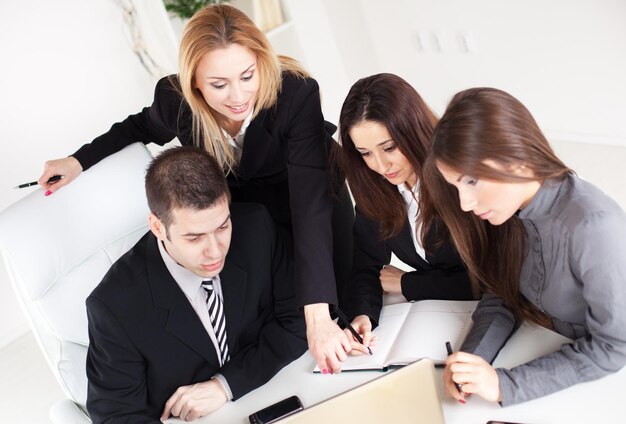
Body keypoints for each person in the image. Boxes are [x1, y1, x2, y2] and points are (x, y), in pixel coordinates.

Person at [39, 4, 353, 373]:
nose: (238, 96)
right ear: (195, 84)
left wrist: (318, 315)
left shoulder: (295, 94)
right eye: (218, 85)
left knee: (331, 311)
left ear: (261, 62)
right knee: (270, 315)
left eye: (247, 76)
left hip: (312, 200)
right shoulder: (176, 101)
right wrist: (77, 161)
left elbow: (308, 206)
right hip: (247, 212)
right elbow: (138, 127)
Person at [424, 87, 626, 405]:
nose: (464, 203)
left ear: (515, 159)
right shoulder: (509, 210)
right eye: (456, 186)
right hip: (547, 347)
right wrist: (471, 362)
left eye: (471, 181)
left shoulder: (594, 226)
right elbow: (502, 293)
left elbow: (614, 347)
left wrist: (506, 385)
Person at [86, 146, 307, 423]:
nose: (215, 251)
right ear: (157, 227)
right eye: (194, 238)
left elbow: (298, 319)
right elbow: (116, 417)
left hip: (270, 397)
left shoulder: (256, 227)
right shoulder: (114, 306)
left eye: (222, 227)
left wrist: (224, 385)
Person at [336, 73, 474, 354]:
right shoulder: (377, 186)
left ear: (412, 130)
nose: (381, 165)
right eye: (365, 153)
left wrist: (408, 283)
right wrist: (362, 315)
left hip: (490, 316)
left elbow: (488, 280)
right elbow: (365, 263)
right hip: (438, 320)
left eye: (389, 147)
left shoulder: (459, 176)